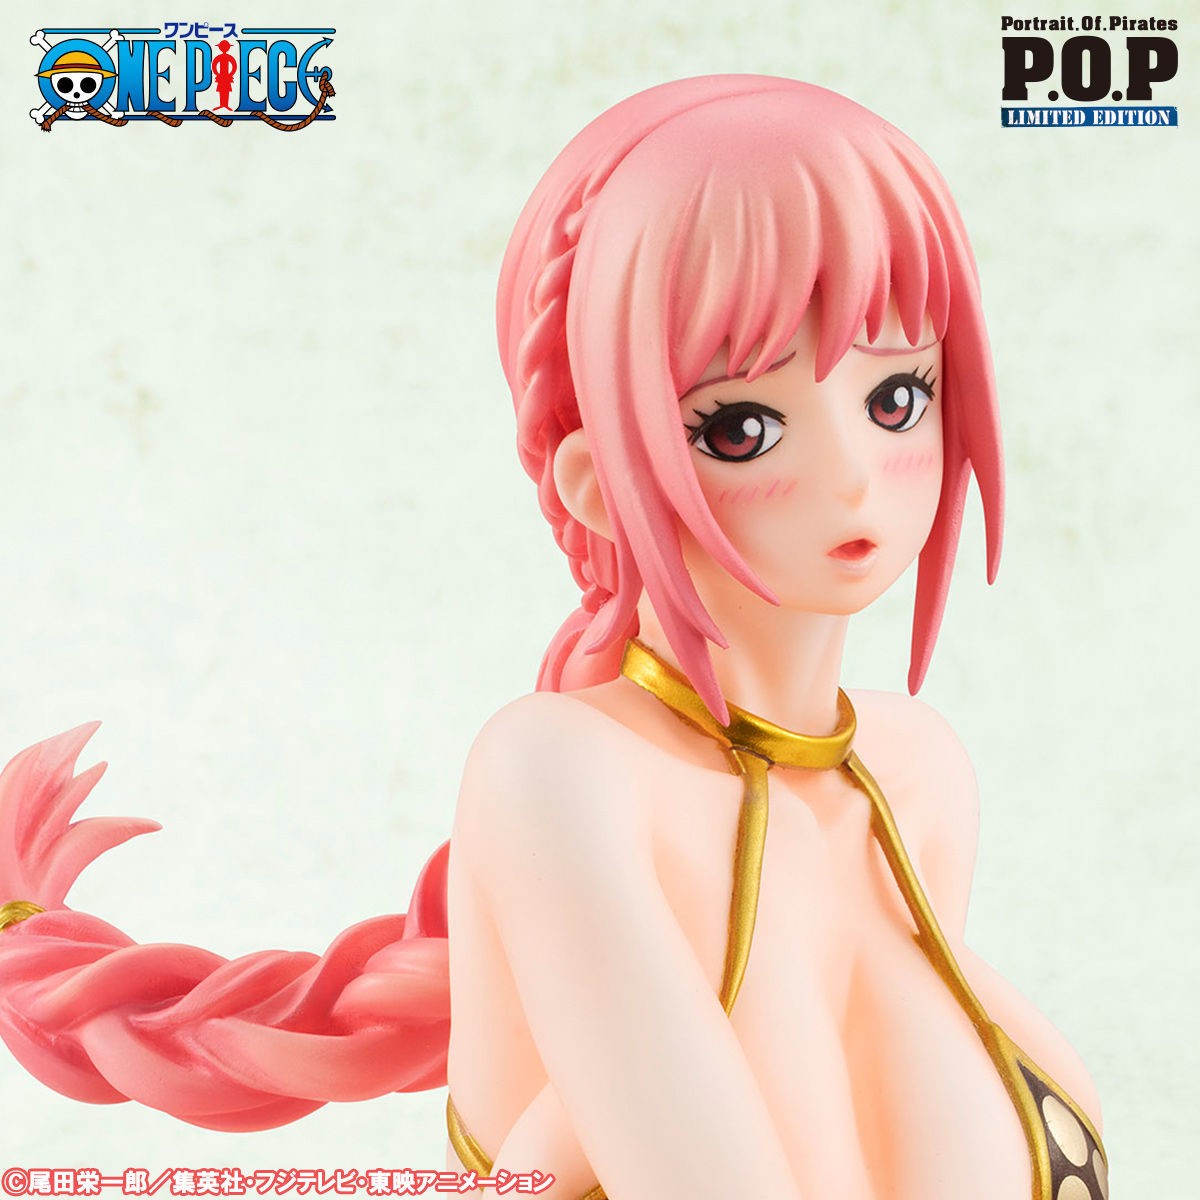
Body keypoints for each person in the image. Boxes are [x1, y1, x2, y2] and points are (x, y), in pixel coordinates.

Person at [0, 77, 1105, 1200]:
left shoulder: (918, 779)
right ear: (595, 481)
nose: (856, 476)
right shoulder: (565, 779)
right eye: (743, 426)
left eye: (898, 398)